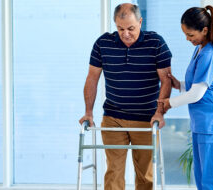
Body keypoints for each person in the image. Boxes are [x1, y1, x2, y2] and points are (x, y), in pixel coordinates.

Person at [78, 3, 172, 190]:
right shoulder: (102, 43)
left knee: (146, 174)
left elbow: (166, 79)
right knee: (114, 171)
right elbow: (92, 78)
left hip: (146, 118)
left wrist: (159, 113)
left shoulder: (156, 43)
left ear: (140, 21)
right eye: (120, 29)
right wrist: (88, 112)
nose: (126, 34)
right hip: (113, 117)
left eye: (131, 28)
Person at [158, 5, 213, 190]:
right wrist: (179, 85)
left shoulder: (210, 54)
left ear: (205, 30)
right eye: (185, 34)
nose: (187, 39)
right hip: (203, 122)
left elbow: (197, 94)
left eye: (191, 35)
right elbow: (199, 84)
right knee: (201, 178)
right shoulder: (200, 49)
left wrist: (169, 103)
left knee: (211, 179)